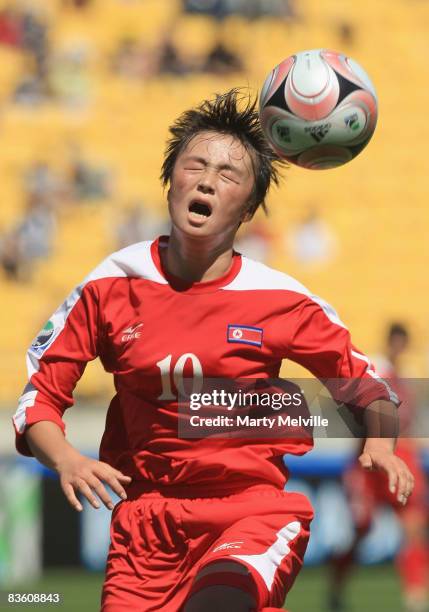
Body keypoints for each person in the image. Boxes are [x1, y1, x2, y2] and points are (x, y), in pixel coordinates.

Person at [12, 90, 414, 612]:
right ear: (169, 181)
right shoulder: (111, 285)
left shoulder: (281, 300)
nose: (206, 179)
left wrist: (380, 442)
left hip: (252, 515)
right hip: (145, 532)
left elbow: (366, 384)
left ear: (248, 207)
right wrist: (64, 458)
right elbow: (39, 397)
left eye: (228, 174)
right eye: (195, 165)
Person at [329, 323, 428, 612]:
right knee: (361, 529)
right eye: (396, 342)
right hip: (369, 462)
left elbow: (406, 424)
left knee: (413, 527)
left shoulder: (403, 382)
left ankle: (416, 598)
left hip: (401, 456)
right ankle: (336, 587)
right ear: (390, 343)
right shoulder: (376, 373)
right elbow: (356, 414)